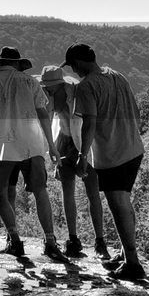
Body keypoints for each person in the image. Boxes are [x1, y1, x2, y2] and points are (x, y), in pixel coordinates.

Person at [63, 43, 146, 281]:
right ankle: (124, 254)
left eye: (73, 66)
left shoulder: (86, 86)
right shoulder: (117, 75)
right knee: (124, 201)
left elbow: (89, 123)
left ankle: (133, 263)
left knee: (118, 204)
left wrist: (82, 156)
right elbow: (136, 111)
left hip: (112, 153)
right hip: (133, 146)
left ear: (78, 63)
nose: (74, 71)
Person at [0, 46, 60, 260]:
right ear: (18, 64)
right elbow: (43, 114)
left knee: (1, 193)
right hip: (32, 145)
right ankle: (50, 240)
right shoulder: (30, 82)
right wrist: (52, 145)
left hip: (0, 146)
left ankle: (15, 239)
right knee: (40, 192)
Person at [40, 64, 112, 260]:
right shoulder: (50, 96)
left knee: (92, 191)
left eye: (49, 86)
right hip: (63, 140)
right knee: (67, 191)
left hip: (84, 141)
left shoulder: (78, 91)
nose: (46, 89)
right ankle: (73, 240)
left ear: (59, 84)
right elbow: (47, 120)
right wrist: (51, 148)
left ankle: (100, 241)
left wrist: (85, 152)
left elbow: (90, 119)